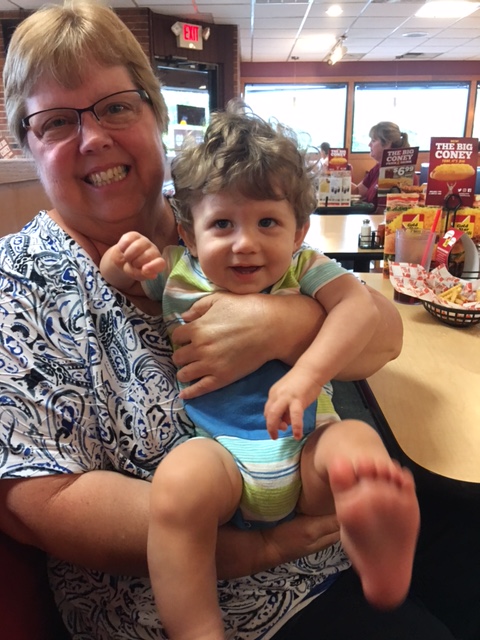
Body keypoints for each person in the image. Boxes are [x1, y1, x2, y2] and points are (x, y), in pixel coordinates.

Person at [0, 2, 459, 639]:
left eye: (116, 107)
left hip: (322, 530)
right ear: (24, 144)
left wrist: (283, 323)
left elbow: (384, 334)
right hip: (177, 597)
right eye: (55, 122)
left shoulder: (218, 205)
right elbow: (35, 500)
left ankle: (385, 549)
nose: (94, 138)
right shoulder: (19, 279)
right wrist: (254, 550)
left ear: (157, 115)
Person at [100, 102, 420, 640]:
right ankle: (197, 630)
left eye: (267, 222)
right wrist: (121, 261)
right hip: (222, 460)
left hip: (310, 449)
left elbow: (359, 309)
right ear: (189, 233)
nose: (245, 242)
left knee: (357, 450)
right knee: (177, 486)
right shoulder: (177, 271)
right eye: (222, 224)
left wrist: (307, 375)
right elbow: (121, 282)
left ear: (298, 232)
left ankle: (379, 546)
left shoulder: (304, 267)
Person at [352, 121, 410, 208]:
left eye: (373, 140)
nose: (369, 144)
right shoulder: (377, 167)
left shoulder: (403, 173)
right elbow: (358, 191)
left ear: (387, 144)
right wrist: (337, 177)